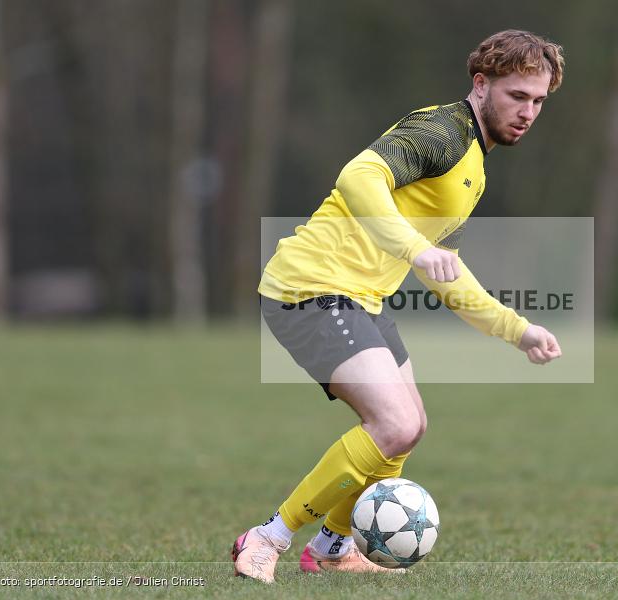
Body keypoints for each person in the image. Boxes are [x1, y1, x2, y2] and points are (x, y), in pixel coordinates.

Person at [233, 29, 565, 583]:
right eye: (517, 96)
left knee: (410, 429)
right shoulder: (440, 131)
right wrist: (416, 247)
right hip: (312, 285)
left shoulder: (475, 166)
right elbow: (358, 176)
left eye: (538, 101)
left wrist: (518, 329)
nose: (528, 111)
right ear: (480, 85)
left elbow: (447, 274)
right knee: (394, 421)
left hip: (359, 297)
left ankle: (334, 546)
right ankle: (266, 539)